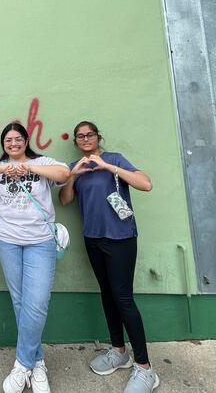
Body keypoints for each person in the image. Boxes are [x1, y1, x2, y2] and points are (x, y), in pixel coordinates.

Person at [0, 122, 70, 393]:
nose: (13, 144)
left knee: (37, 302)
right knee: (20, 300)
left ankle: (23, 364)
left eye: (18, 139)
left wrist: (29, 167)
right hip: (6, 239)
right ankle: (38, 363)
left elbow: (64, 173)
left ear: (26, 140)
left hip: (40, 241)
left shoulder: (42, 162)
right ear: (3, 144)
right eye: (8, 140)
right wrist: (2, 168)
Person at [59, 121, 158, 393]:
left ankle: (145, 368)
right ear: (76, 141)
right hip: (93, 238)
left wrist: (107, 166)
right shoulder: (74, 166)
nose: (85, 139)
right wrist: (74, 175)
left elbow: (145, 183)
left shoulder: (114, 158)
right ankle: (119, 351)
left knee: (123, 298)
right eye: (80, 136)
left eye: (89, 134)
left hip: (121, 238)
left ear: (98, 136)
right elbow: (65, 199)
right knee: (106, 294)